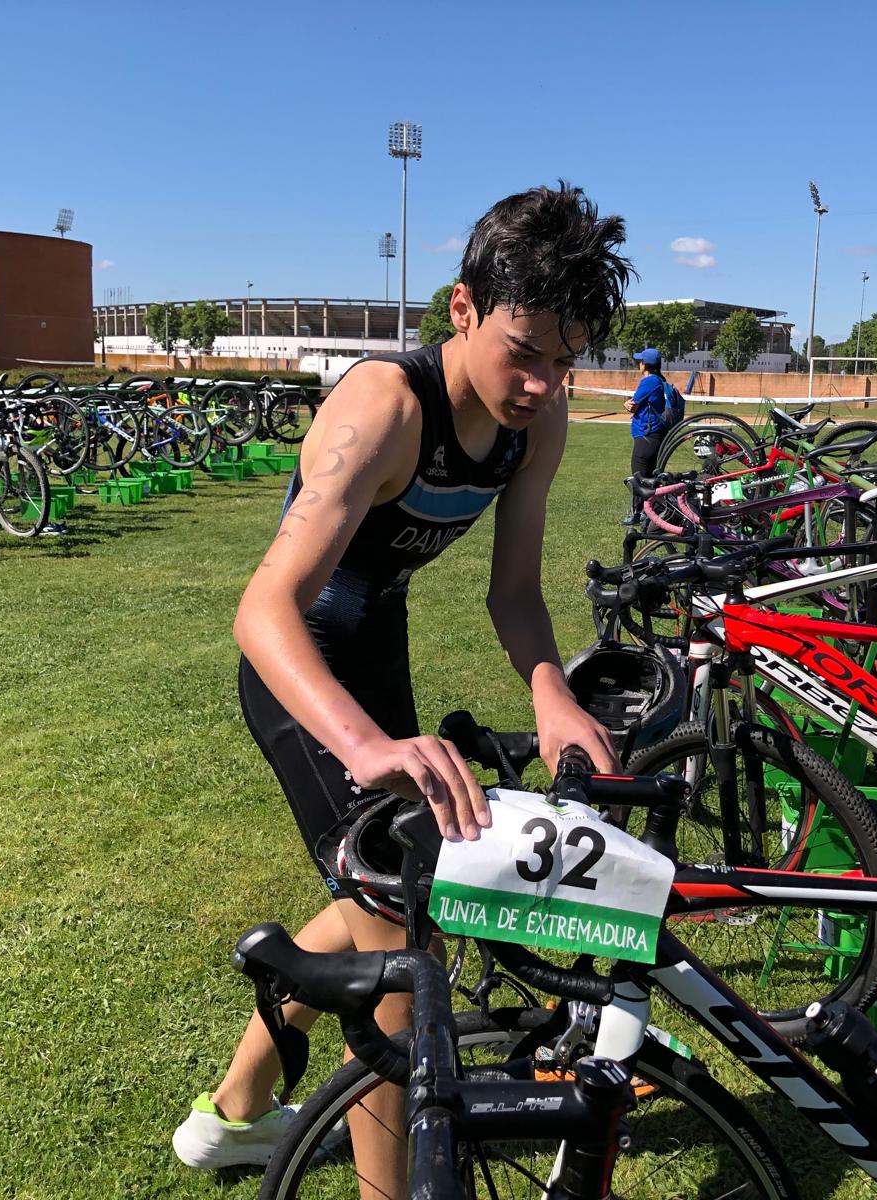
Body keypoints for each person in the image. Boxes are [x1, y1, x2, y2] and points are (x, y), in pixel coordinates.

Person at [172, 183, 632, 1186]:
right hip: (298, 667)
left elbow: (513, 594)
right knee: (397, 933)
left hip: (376, 643)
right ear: (461, 308)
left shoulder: (535, 425)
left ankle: (234, 1113)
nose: (546, 384)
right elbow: (263, 610)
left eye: (567, 359)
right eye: (527, 352)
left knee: (387, 890)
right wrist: (365, 744)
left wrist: (552, 692)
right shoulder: (383, 405)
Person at [620, 346, 668, 524]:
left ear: (645, 364)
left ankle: (636, 514)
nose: (638, 364)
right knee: (650, 476)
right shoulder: (659, 380)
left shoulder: (649, 381)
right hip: (653, 435)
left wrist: (626, 404)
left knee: (638, 476)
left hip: (646, 434)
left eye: (640, 361)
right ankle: (650, 513)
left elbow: (633, 404)